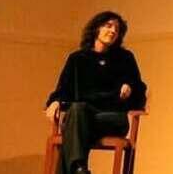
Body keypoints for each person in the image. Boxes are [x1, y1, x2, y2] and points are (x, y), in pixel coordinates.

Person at [44, 11, 147, 174]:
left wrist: (130, 87)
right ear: (96, 29)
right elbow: (63, 89)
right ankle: (79, 168)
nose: (113, 31)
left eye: (117, 29)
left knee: (73, 122)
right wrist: (55, 101)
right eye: (108, 26)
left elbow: (140, 91)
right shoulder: (77, 59)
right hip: (82, 116)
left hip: (112, 118)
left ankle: (77, 168)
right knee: (78, 112)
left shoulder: (125, 58)